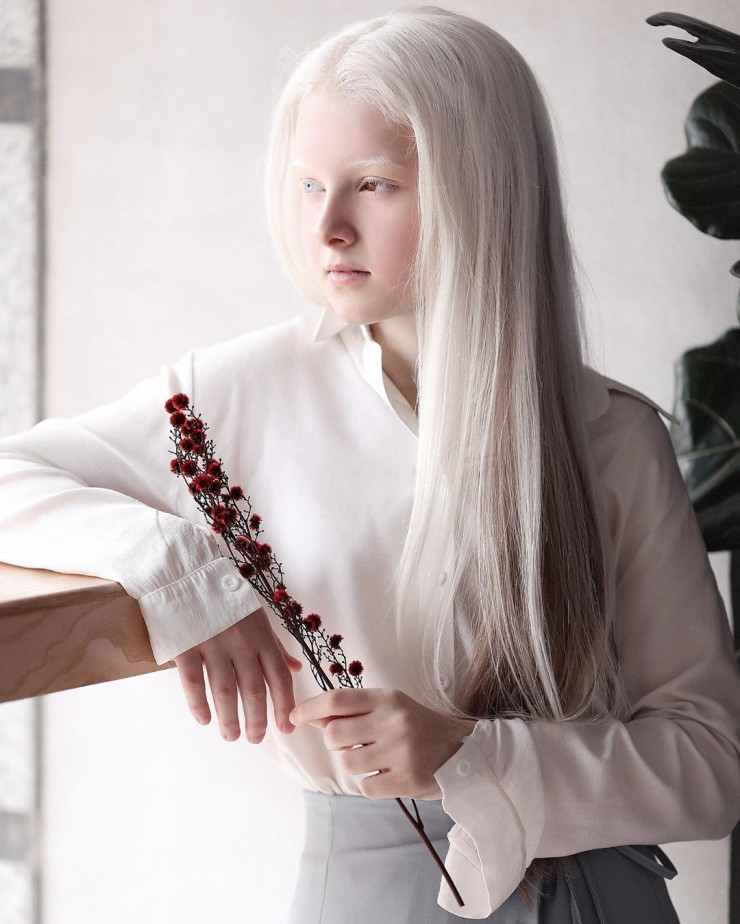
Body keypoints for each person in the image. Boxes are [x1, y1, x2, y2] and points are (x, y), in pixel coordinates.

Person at [1, 5, 740, 922]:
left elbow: (712, 763)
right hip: (370, 896)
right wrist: (190, 577)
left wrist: (473, 756)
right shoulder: (232, 398)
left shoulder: (613, 435)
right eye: (309, 184)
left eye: (374, 185)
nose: (329, 227)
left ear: (484, 189)